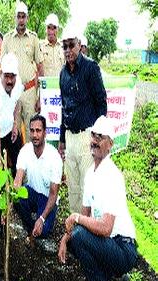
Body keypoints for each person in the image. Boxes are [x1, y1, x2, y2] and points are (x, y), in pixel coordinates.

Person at [58, 115, 138, 281]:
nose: (94, 141)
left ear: (110, 144)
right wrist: (64, 238)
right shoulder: (90, 174)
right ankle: (112, 272)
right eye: (93, 135)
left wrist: (76, 218)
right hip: (111, 243)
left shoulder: (112, 176)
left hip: (124, 248)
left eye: (99, 137)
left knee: (78, 235)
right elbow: (86, 216)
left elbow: (105, 228)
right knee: (74, 239)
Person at [58, 30, 107, 213]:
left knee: (88, 189)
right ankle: (74, 232)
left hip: (88, 137)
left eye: (71, 45)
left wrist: (99, 138)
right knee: (73, 189)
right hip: (70, 137)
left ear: (79, 45)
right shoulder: (63, 73)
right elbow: (64, 107)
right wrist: (62, 140)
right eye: (65, 46)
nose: (68, 50)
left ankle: (87, 233)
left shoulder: (90, 68)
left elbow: (101, 103)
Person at [14, 114, 62, 242]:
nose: (35, 135)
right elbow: (18, 180)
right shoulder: (25, 151)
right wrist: (8, 204)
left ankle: (38, 222)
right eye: (32, 130)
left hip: (48, 200)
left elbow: (53, 194)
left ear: (45, 133)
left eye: (38, 131)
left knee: (43, 232)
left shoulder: (54, 157)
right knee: (17, 197)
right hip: (32, 194)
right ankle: (31, 227)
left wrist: (41, 218)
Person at [1, 1, 44, 141]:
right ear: (15, 18)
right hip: (12, 93)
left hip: (29, 92)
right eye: (18, 16)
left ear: (27, 18)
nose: (21, 20)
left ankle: (32, 162)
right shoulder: (7, 39)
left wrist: (40, 96)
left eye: (23, 16)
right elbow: (2, 69)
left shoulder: (34, 38)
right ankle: (15, 163)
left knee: (33, 132)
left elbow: (40, 67)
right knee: (12, 132)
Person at [0, 53, 23, 177]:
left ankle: (16, 190)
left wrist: (15, 125)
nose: (9, 80)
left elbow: (17, 102)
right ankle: (0, 193)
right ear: (0, 73)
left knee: (18, 163)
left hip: (9, 126)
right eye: (6, 76)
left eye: (12, 76)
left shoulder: (18, 84)